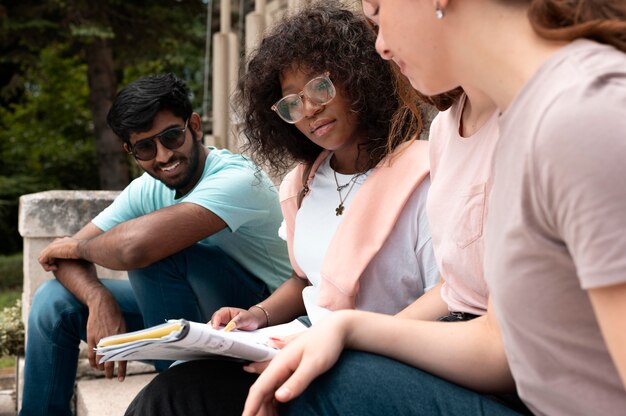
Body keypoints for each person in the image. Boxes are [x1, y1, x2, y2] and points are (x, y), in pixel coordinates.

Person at [243, 1, 626, 415]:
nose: (382, 47)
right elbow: (498, 338)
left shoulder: (581, 113)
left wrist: (349, 334)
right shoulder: (525, 114)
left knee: (325, 385)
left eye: (377, 14)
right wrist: (344, 328)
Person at [124, 3, 438, 415]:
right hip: (303, 343)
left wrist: (346, 338)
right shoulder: (302, 183)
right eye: (291, 103)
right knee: (171, 391)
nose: (308, 110)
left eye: (320, 88)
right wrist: (257, 316)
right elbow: (305, 279)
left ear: (361, 77)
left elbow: (449, 300)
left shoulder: (425, 173)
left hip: (387, 363)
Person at [20, 73, 293, 416]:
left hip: (263, 318)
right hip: (192, 316)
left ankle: (181, 380)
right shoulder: (148, 189)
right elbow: (59, 260)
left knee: (165, 252)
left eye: (172, 137)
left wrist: (76, 247)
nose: (164, 156)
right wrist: (96, 297)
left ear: (194, 126)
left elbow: (133, 248)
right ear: (130, 151)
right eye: (146, 147)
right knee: (54, 302)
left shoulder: (237, 179)